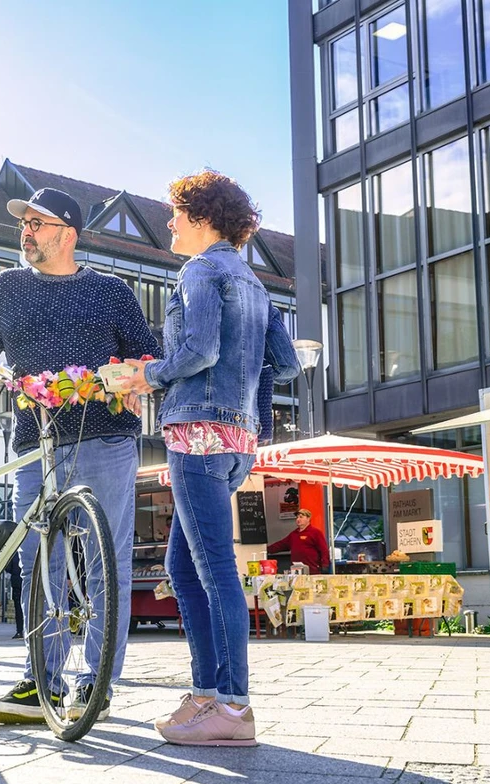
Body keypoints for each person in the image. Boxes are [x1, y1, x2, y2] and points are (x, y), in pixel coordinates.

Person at [0, 187, 162, 724]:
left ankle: (95, 684)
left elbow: (147, 357)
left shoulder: (111, 291)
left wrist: (135, 379)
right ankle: (40, 681)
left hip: (107, 439)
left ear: (67, 234)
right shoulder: (8, 288)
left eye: (37, 223)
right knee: (37, 562)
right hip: (35, 444)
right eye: (24, 223)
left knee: (105, 563)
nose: (26, 231)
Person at [124, 170, 299, 747]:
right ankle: (206, 693)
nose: (169, 222)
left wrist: (149, 375)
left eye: (176, 213)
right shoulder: (254, 283)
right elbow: (287, 364)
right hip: (238, 440)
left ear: (201, 218)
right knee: (183, 567)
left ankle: (233, 705)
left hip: (197, 432)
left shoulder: (200, 271)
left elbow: (198, 350)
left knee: (214, 567)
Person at [267, 509, 331, 574]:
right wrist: (266, 550)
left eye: (301, 517)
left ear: (308, 518)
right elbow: (281, 545)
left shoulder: (315, 533)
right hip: (296, 570)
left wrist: (325, 565)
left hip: (312, 570)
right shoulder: (293, 534)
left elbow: (324, 550)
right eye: (297, 517)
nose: (298, 519)